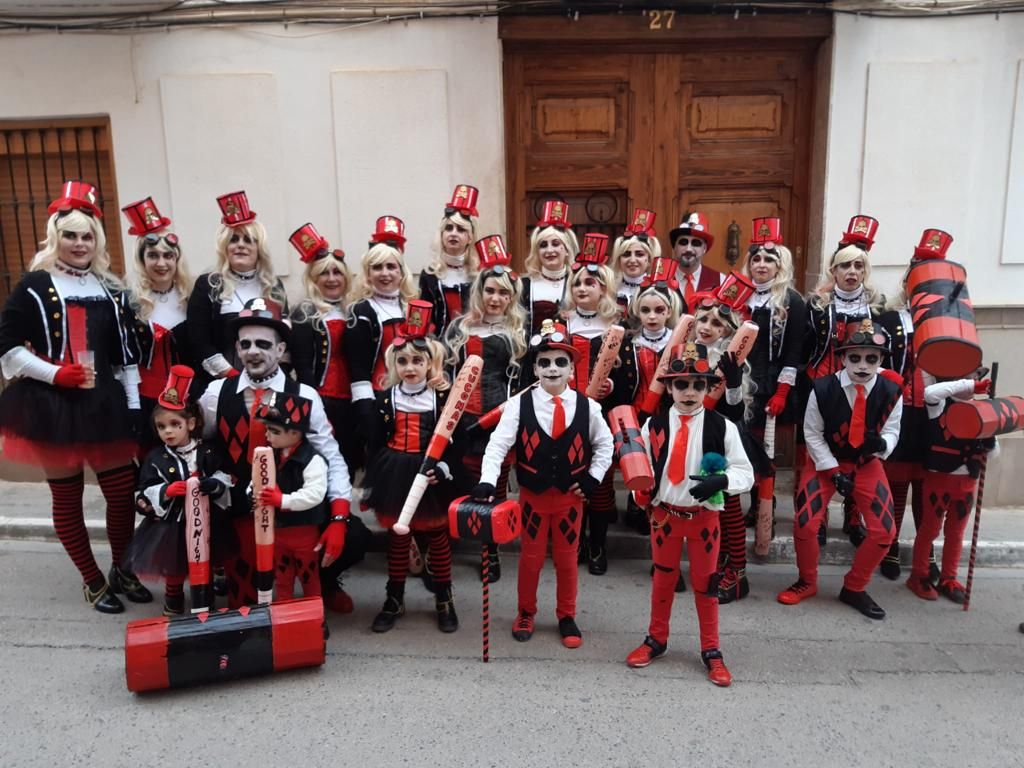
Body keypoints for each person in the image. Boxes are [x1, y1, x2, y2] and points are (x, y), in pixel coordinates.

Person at [0, 180, 148, 613]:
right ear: (55, 237)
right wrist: (54, 374)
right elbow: (7, 346)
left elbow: (125, 359)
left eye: (87, 236)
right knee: (67, 498)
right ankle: (92, 580)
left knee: (122, 494)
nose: (79, 243)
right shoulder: (33, 285)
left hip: (105, 403)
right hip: (52, 406)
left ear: (97, 240)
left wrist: (135, 408)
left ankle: (124, 567)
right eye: (70, 235)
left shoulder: (110, 288)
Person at [198, 297, 358, 612]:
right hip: (240, 508)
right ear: (237, 349)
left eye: (263, 343)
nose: (253, 351)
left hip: (294, 507)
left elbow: (332, 457)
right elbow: (197, 444)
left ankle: (324, 583)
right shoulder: (217, 393)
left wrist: (339, 516)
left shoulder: (304, 396)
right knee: (247, 607)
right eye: (245, 344)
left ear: (281, 350)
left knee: (355, 536)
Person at [473, 319, 613, 649]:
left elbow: (606, 445)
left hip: (570, 499)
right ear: (535, 367)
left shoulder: (589, 406)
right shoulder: (519, 405)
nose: (552, 369)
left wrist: (593, 478)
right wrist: (486, 482)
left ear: (571, 367)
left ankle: (566, 614)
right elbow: (497, 445)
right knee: (530, 559)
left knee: (567, 560)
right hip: (533, 498)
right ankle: (526, 611)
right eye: (545, 362)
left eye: (560, 362)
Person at [626, 342, 753, 687]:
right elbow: (642, 468)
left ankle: (711, 650)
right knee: (663, 579)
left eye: (698, 385)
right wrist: (642, 491)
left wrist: (722, 479)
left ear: (709, 388)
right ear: (669, 387)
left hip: (704, 519)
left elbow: (746, 472)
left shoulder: (722, 426)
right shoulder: (652, 424)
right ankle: (656, 639)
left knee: (706, 585)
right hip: (664, 517)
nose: (690, 392)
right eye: (681, 384)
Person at [778, 319, 902, 620]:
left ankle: (855, 587)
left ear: (881, 359)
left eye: (871, 358)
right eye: (854, 357)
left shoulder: (891, 390)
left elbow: (894, 430)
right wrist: (833, 472)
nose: (862, 365)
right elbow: (812, 434)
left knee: (885, 532)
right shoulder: (822, 389)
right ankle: (807, 581)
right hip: (825, 462)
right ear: (843, 357)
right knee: (806, 524)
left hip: (866, 464)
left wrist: (881, 444)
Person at [365, 301, 462, 633]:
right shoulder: (386, 400)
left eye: (417, 361)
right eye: (402, 361)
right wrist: (373, 479)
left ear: (429, 363)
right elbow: (375, 442)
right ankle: (394, 597)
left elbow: (455, 440)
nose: (410, 367)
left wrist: (445, 467)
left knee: (437, 535)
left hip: (430, 472)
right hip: (395, 473)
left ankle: (444, 597)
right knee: (397, 536)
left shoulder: (441, 400)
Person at [444, 235, 528, 581]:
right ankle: (452, 543)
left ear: (512, 297)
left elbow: (523, 383)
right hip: (461, 417)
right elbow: (444, 372)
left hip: (499, 417)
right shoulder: (458, 329)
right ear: (480, 291)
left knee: (492, 484)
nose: (496, 298)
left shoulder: (518, 333)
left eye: (503, 293)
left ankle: (488, 550)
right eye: (490, 290)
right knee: (461, 481)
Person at [123, 365, 231, 615]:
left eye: (174, 424)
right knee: (174, 564)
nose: (168, 431)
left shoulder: (207, 452)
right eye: (161, 427)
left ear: (190, 423)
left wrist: (214, 485)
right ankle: (173, 598)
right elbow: (144, 491)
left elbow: (223, 477)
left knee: (205, 559)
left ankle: (203, 598)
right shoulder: (155, 457)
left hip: (208, 522)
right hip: (171, 525)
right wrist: (166, 491)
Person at [804, 215, 886, 544]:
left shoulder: (878, 307)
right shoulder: (817, 305)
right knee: (817, 447)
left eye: (858, 266)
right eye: (845, 266)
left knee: (859, 446)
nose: (851, 272)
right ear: (833, 271)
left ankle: (853, 516)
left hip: (863, 384)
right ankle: (818, 514)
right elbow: (806, 348)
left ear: (865, 271)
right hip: (823, 381)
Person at [906, 369, 996, 603]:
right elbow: (930, 392)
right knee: (930, 529)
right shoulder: (940, 405)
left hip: (967, 481)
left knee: (956, 533)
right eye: (967, 377)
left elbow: (994, 453)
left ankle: (949, 578)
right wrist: (966, 384)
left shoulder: (983, 412)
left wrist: (990, 441)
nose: (973, 382)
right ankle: (919, 575)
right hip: (939, 480)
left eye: (976, 377)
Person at [740, 217, 807, 529]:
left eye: (769, 259)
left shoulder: (792, 301)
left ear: (781, 265)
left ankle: (763, 502)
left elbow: (794, 351)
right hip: (741, 384)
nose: (762, 264)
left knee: (765, 448)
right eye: (757, 259)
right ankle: (747, 499)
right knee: (744, 445)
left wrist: (782, 391)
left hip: (772, 385)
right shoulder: (739, 297)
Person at [186, 190, 287, 391]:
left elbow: (285, 338)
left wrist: (271, 377)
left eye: (249, 240)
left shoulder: (273, 286)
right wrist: (234, 378)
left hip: (270, 385)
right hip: (221, 385)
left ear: (259, 248)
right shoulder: (208, 285)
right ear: (225, 246)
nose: (240, 245)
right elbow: (198, 341)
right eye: (234, 239)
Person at [562, 233, 619, 574]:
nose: (582, 288)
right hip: (566, 412)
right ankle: (577, 540)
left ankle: (598, 544)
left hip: (602, 414)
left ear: (604, 288)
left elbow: (631, 378)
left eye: (590, 283)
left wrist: (614, 385)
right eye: (577, 282)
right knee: (571, 479)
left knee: (600, 482)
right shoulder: (559, 324)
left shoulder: (616, 327)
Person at [287, 223, 361, 474]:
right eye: (324, 273)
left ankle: (344, 510)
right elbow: (302, 364)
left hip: (351, 396)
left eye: (337, 272)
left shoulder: (353, 309)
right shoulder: (305, 312)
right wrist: (313, 400)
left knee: (350, 453)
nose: (331, 279)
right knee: (322, 456)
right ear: (313, 279)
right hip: (322, 395)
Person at [122, 196, 192, 452]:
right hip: (145, 399)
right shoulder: (128, 301)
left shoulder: (191, 297)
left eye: (168, 255)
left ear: (176, 259)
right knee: (150, 463)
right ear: (142, 260)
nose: (161, 263)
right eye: (153, 255)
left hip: (187, 397)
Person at [615, 281, 683, 535]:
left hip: (668, 413)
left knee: (664, 460)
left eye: (658, 310)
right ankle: (636, 504)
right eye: (645, 310)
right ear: (637, 312)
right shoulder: (628, 343)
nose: (652, 316)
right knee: (639, 462)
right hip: (636, 411)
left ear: (668, 311)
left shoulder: (679, 343)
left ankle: (663, 507)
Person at [253, 391, 330, 600]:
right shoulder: (269, 455)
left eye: (274, 431)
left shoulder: (312, 460)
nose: (268, 436)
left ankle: (314, 618)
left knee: (309, 575)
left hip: (304, 531)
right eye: (268, 430)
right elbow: (256, 480)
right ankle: (283, 616)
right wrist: (253, 492)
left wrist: (282, 500)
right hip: (277, 532)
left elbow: (315, 494)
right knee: (282, 576)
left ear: (295, 433)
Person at [347, 216, 418, 418]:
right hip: (378, 398)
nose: (384, 273)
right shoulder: (361, 311)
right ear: (367, 274)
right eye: (377, 267)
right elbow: (358, 366)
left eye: (391, 267)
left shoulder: (412, 308)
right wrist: (365, 407)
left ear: (401, 272)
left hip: (413, 397)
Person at [418, 184, 479, 338]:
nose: (453, 233)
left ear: (469, 238)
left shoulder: (478, 274)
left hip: (472, 345)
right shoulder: (429, 274)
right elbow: (424, 319)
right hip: (439, 348)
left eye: (461, 229)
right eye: (449, 228)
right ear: (442, 234)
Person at [520, 200, 577, 334]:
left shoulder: (578, 282)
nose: (549, 250)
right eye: (543, 245)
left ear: (567, 249)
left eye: (556, 244)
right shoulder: (524, 286)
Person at [669, 211, 722, 310]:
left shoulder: (721, 281)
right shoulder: (661, 278)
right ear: (674, 247)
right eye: (683, 242)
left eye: (696, 243)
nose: (688, 249)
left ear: (704, 248)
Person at [610, 208, 658, 317]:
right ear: (619, 259)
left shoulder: (656, 290)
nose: (632, 260)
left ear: (649, 260)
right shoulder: (609, 288)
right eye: (626, 254)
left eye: (639, 254)